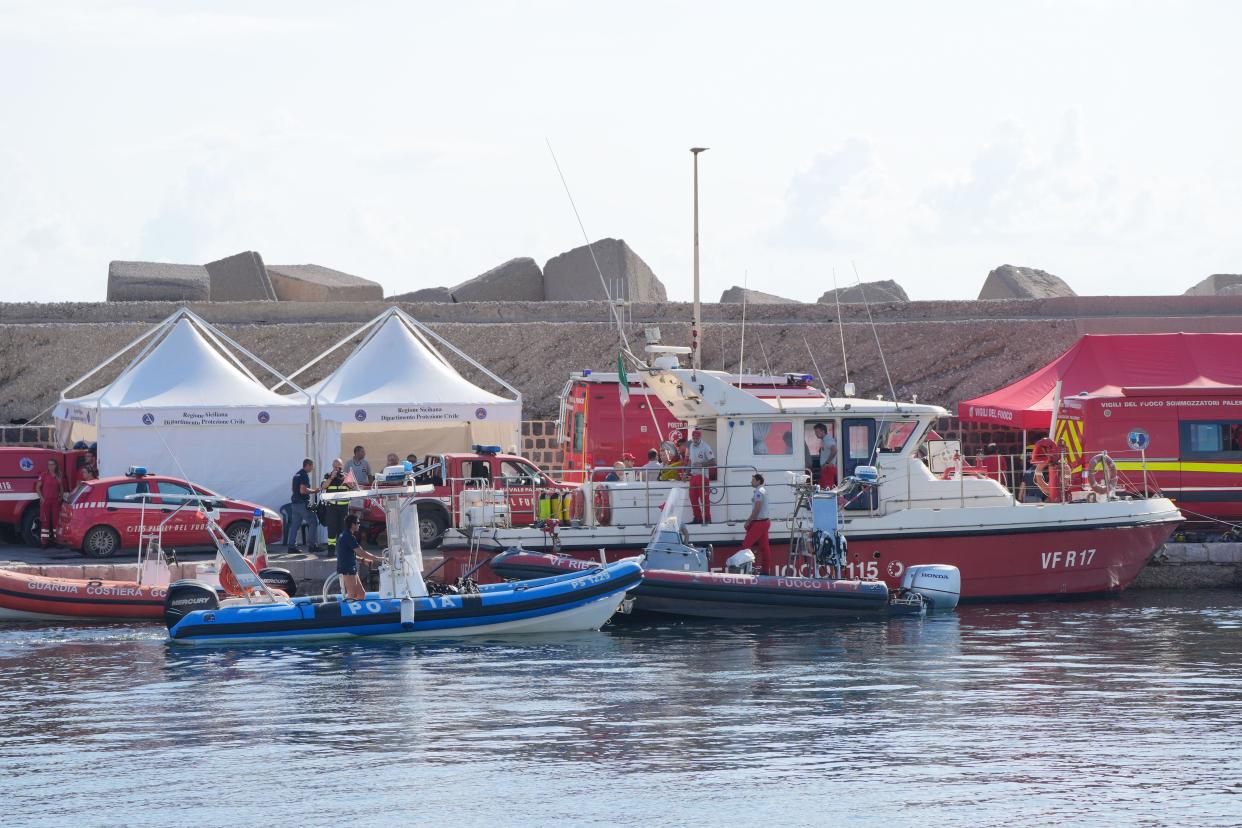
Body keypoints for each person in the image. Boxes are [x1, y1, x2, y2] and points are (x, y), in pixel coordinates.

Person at [336, 514, 384, 601]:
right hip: (347, 569)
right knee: (352, 595)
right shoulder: (348, 537)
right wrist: (377, 558)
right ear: (353, 524)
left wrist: (362, 560)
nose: (359, 525)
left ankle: (355, 611)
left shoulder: (345, 535)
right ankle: (348, 611)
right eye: (358, 523)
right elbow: (361, 552)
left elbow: (348, 554)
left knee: (361, 594)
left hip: (350, 568)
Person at [288, 458, 325, 554]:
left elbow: (294, 489)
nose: (312, 469)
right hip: (302, 504)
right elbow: (302, 490)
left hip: (295, 504)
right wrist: (314, 491)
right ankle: (312, 545)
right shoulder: (304, 475)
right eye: (312, 466)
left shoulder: (296, 475)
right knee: (313, 522)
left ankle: (291, 546)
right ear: (307, 465)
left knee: (295, 525)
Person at [742, 474, 773, 574]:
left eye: (753, 480)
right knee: (764, 548)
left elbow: (757, 508)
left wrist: (749, 521)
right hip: (765, 522)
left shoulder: (759, 492)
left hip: (760, 522)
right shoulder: (763, 490)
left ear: (758, 481)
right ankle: (765, 571)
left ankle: (745, 571)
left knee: (746, 545)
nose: (751, 482)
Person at [320, 458, 351, 555]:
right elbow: (323, 487)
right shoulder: (328, 475)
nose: (337, 469)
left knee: (343, 529)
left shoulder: (346, 475)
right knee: (331, 529)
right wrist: (331, 478)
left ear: (341, 467)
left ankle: (342, 551)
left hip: (343, 508)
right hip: (331, 507)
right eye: (335, 467)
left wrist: (346, 479)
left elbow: (353, 486)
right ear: (332, 467)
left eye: (339, 467)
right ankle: (331, 551)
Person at [686, 428, 715, 524]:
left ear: (700, 438)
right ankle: (697, 518)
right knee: (693, 498)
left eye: (696, 438)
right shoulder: (690, 446)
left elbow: (713, 462)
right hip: (693, 476)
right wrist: (686, 473)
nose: (695, 440)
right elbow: (690, 460)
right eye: (693, 438)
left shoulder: (705, 447)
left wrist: (701, 464)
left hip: (703, 476)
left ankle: (707, 518)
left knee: (704, 500)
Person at [34, 458, 64, 547]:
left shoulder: (59, 475)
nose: (50, 466)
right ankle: (44, 542)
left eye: (52, 464)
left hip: (55, 501)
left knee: (56, 522)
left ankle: (57, 541)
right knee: (45, 522)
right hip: (46, 501)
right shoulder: (43, 475)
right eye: (49, 464)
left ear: (55, 465)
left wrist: (60, 497)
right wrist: (42, 498)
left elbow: (61, 488)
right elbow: (37, 488)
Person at [813, 423, 838, 488]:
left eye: (817, 432)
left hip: (828, 469)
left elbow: (834, 450)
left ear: (823, 431)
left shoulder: (827, 439)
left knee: (827, 489)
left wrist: (827, 462)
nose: (815, 434)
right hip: (826, 469)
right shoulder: (824, 440)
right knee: (823, 487)